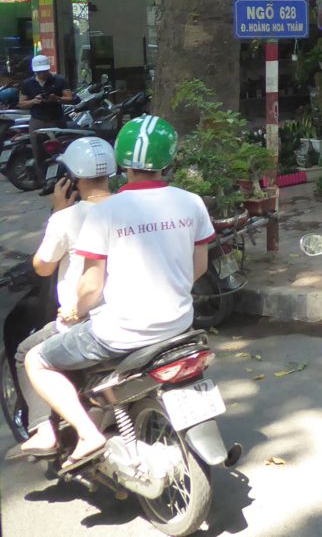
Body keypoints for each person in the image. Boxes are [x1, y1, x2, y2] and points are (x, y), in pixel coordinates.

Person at [22, 115, 213, 471]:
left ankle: (86, 434)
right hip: (179, 322)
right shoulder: (191, 202)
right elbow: (197, 268)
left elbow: (91, 285)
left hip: (121, 332)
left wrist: (75, 310)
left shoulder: (106, 212)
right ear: (169, 158)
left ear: (123, 161)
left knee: (36, 359)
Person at [13, 137, 115, 458]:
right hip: (130, 309)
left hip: (85, 316)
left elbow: (43, 267)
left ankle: (44, 430)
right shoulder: (127, 208)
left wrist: (58, 212)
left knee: (25, 353)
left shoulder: (66, 218)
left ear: (72, 177)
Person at [18, 55, 75, 174]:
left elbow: (70, 98)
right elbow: (22, 104)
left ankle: (62, 175)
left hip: (56, 119)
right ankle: (42, 178)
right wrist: (34, 101)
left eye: (44, 71)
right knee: (38, 151)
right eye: (39, 72)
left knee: (61, 149)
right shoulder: (28, 83)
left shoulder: (59, 80)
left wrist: (57, 98)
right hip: (37, 120)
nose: (42, 74)